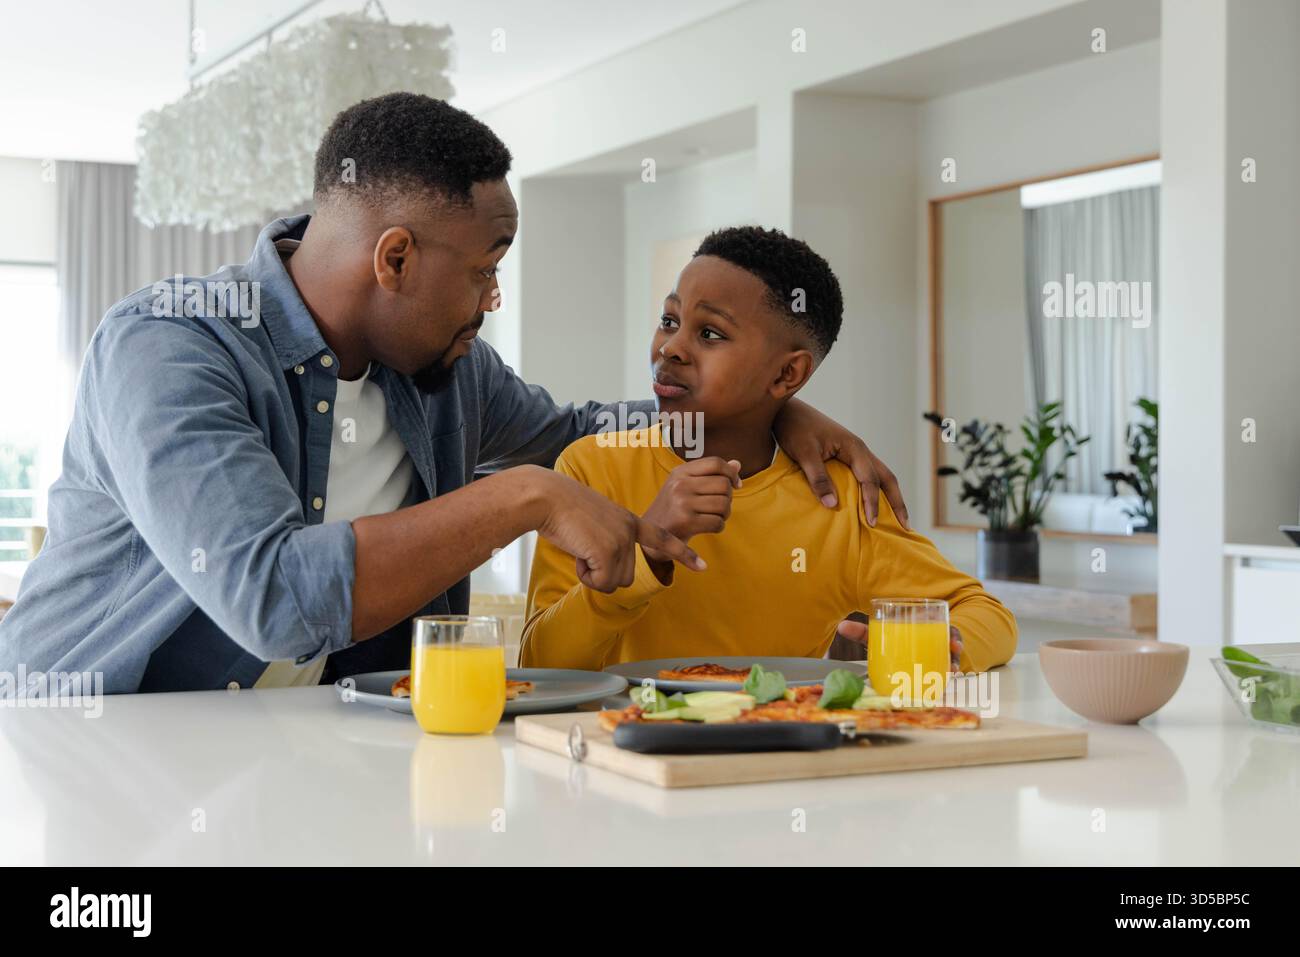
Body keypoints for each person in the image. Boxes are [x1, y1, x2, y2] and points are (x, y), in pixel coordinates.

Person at [0, 95, 909, 694]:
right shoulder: (171, 347)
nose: (493, 299)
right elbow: (274, 596)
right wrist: (524, 495)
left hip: (318, 745)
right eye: (485, 269)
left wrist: (770, 410)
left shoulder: (446, 367)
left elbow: (586, 431)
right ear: (394, 258)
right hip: (94, 749)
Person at [521, 226, 1017, 673]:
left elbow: (986, 614)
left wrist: (940, 646)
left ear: (787, 374)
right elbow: (541, 664)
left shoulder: (838, 501)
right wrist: (647, 552)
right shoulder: (590, 467)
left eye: (709, 333)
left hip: (778, 759)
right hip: (616, 756)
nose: (670, 348)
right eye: (669, 320)